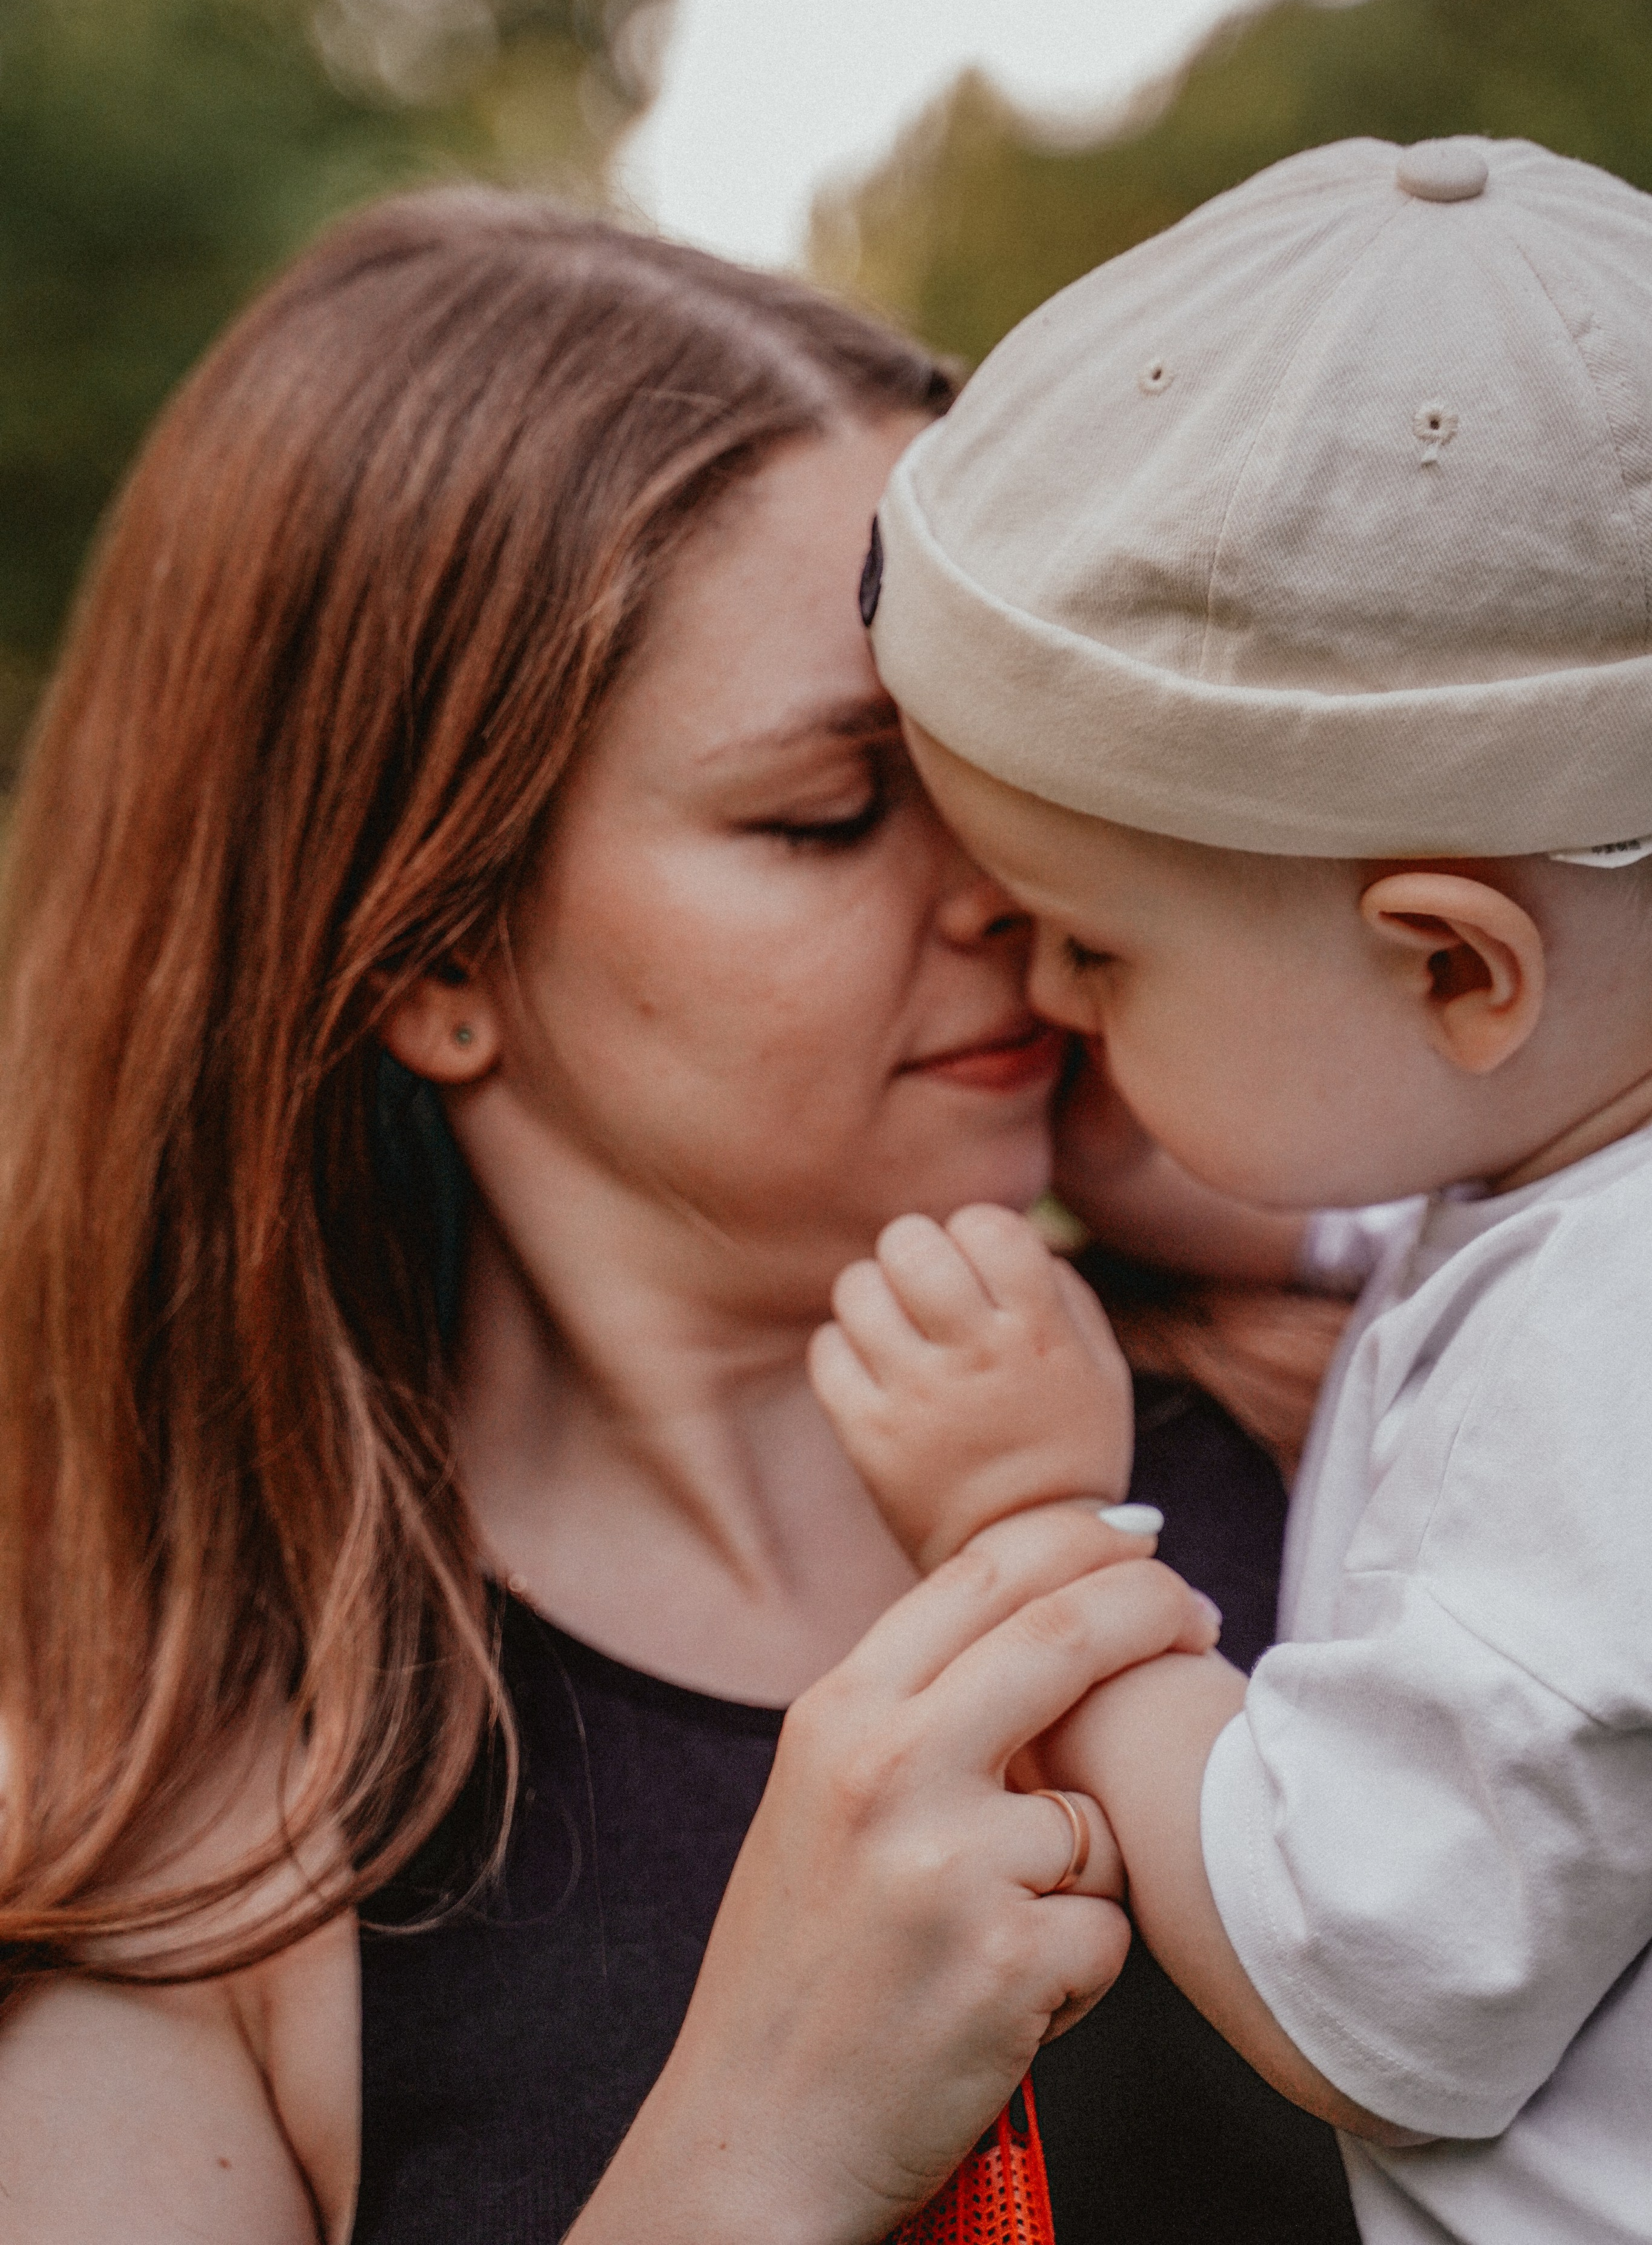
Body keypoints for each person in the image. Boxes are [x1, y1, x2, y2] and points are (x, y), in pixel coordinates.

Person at [0, 190, 1355, 2245]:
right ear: (431, 956)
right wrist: (756, 2146)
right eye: (828, 810)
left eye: (1008, 766)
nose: (1004, 881)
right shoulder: (182, 1833)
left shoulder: (1384, 1425)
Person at [812, 134, 1652, 2245]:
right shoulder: (1578, 1169)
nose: (1046, 996)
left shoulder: (1597, 1397)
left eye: (1099, 949)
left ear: (1457, 964)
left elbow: (1358, 1984)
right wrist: (1247, 1195)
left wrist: (1034, 1529)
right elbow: (1476, 1217)